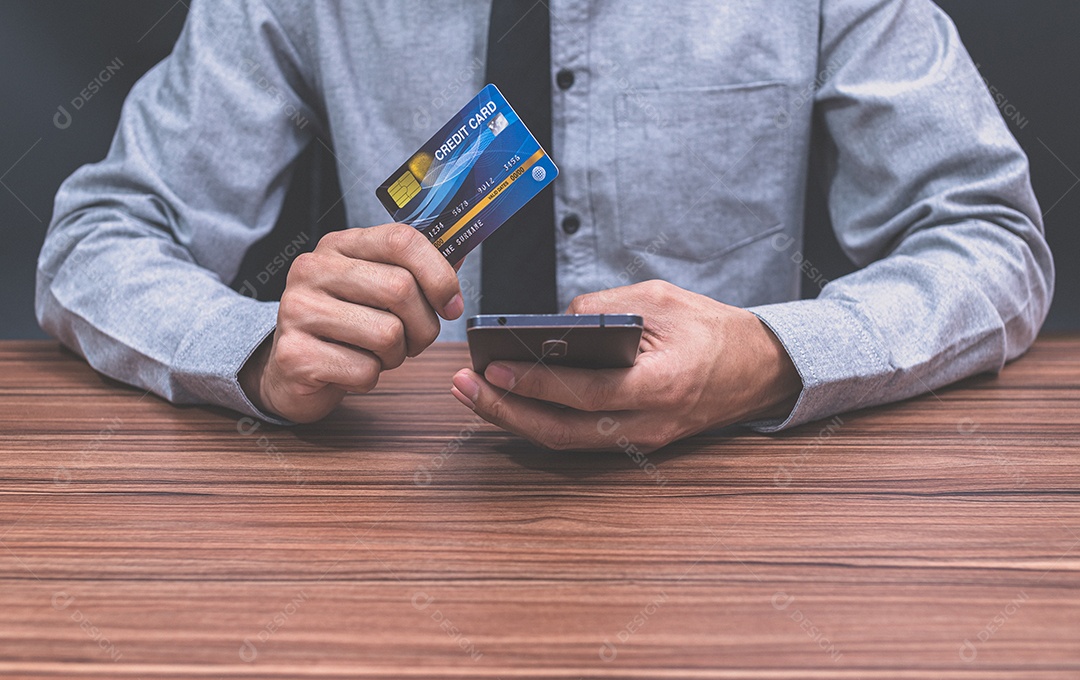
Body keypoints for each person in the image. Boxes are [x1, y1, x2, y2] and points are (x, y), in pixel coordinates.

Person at [37, 0, 1054, 452]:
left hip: (740, 516)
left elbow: (991, 234)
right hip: (397, 505)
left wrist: (773, 355)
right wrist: (253, 349)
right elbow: (102, 231)